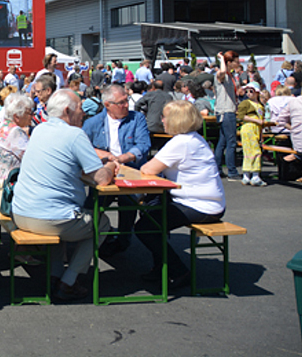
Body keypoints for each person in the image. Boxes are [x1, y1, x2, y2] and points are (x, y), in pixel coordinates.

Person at [11, 90, 117, 302]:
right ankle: (68, 282)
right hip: (49, 218)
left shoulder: (39, 130)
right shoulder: (75, 135)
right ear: (68, 111)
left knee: (61, 212)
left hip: (21, 213)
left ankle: (55, 275)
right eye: (80, 108)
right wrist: (112, 166)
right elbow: (102, 179)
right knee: (102, 222)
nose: (83, 114)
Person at [134, 100, 225, 289]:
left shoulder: (181, 142)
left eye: (165, 117)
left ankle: (178, 271)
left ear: (176, 120)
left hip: (201, 206)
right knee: (153, 213)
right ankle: (161, 267)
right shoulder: (194, 138)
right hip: (207, 202)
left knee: (146, 227)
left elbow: (148, 169)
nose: (162, 120)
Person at [82, 83, 150, 257]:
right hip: (104, 172)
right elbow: (82, 146)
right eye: (121, 103)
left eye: (127, 100)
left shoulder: (137, 119)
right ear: (107, 105)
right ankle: (90, 238)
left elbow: (143, 145)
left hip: (130, 171)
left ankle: (123, 240)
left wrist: (122, 159)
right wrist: (105, 156)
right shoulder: (92, 123)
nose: (126, 105)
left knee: (128, 202)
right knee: (93, 204)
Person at [0, 93, 33, 183]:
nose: (32, 116)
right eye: (29, 113)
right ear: (16, 116)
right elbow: (32, 158)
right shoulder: (15, 132)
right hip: (3, 185)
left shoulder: (2, 126)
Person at [213, 50, 241, 181]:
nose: (238, 64)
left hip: (226, 110)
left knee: (222, 142)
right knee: (231, 142)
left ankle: (218, 169)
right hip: (226, 111)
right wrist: (221, 59)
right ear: (229, 62)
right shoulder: (221, 74)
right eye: (236, 61)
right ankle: (232, 171)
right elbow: (222, 71)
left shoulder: (231, 76)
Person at [236, 81, 267, 186]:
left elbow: (262, 120)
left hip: (256, 130)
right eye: (247, 91)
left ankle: (249, 176)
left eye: (251, 91)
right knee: (252, 151)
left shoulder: (261, 106)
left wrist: (261, 134)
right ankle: (252, 175)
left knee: (253, 150)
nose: (248, 93)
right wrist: (256, 120)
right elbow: (241, 116)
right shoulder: (245, 103)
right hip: (248, 128)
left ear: (257, 92)